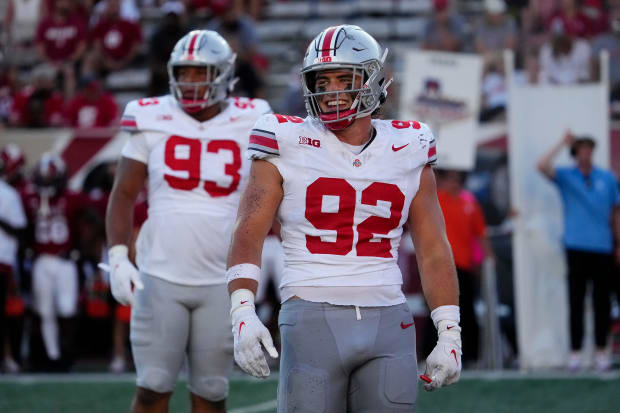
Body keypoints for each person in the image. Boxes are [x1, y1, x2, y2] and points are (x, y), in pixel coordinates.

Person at [225, 25, 462, 412]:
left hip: (389, 316)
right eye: (323, 80)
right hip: (311, 313)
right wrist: (242, 310)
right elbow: (248, 230)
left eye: (343, 79)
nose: (331, 91)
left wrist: (450, 331)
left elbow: (433, 248)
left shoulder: (410, 145)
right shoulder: (283, 139)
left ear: (371, 80)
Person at [103, 30, 271, 413]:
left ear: (225, 74)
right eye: (185, 72)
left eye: (201, 72)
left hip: (222, 279)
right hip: (160, 273)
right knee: (152, 387)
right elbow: (124, 192)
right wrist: (116, 255)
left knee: (211, 393)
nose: (191, 82)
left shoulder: (254, 117)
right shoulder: (150, 115)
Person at [537, 131, 620, 371]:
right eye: (582, 148)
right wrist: (562, 143)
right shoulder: (566, 176)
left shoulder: (606, 178)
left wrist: (618, 243)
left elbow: (615, 212)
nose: (586, 153)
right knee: (576, 300)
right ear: (576, 152)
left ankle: (601, 352)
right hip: (576, 247)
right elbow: (541, 165)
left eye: (589, 148)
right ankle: (575, 353)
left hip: (603, 247)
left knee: (602, 302)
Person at [435, 170, 495, 366]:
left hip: (463, 266)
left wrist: (488, 258)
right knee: (438, 312)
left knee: (466, 313)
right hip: (440, 265)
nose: (455, 183)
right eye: (451, 179)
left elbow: (481, 232)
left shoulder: (469, 201)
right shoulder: (435, 199)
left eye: (458, 180)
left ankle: (470, 356)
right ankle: (434, 353)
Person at [0, 153, 28, 373]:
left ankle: (9, 356)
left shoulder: (8, 194)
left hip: (3, 260)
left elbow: (19, 229)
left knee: (8, 313)